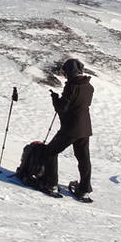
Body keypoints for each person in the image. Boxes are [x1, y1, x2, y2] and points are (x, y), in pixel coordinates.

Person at [41, 58, 94, 199]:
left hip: (71, 128)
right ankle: (84, 190)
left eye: (64, 72)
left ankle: (51, 184)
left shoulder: (71, 86)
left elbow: (62, 108)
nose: (63, 75)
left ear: (69, 72)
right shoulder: (89, 87)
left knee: (50, 152)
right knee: (84, 159)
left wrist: (55, 99)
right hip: (85, 128)